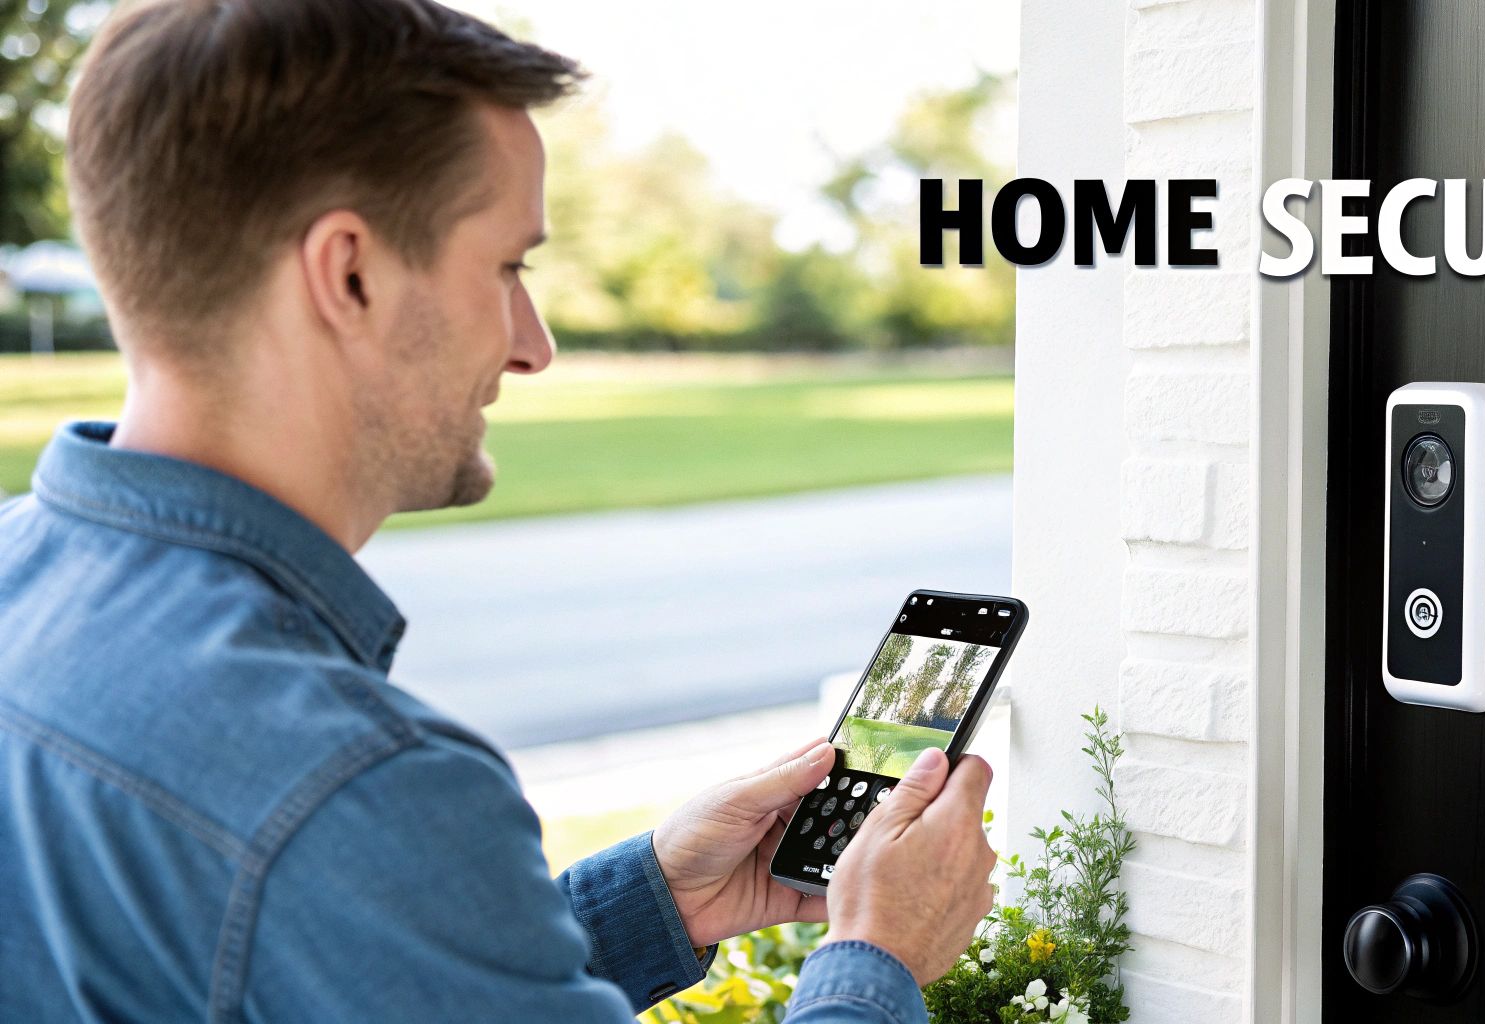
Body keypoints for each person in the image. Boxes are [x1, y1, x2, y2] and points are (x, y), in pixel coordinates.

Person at [0, 1, 997, 1021]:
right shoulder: (351, 789)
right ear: (349, 274)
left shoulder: (17, 574)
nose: (534, 344)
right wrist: (875, 953)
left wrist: (651, 900)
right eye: (508, 266)